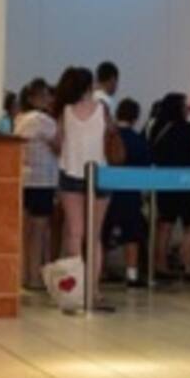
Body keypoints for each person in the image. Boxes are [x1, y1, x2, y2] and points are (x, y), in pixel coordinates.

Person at [54, 66, 114, 311]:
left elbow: (58, 143)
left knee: (74, 233)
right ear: (90, 86)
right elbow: (111, 134)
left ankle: (76, 290)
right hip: (100, 175)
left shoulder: (65, 112)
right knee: (94, 235)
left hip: (70, 174)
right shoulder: (103, 109)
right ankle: (94, 290)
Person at [149, 92, 190, 282]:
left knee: (165, 225)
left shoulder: (157, 129)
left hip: (165, 182)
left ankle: (160, 265)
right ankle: (188, 267)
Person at [14, 78, 58, 288]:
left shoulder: (19, 119)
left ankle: (22, 275)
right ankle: (34, 276)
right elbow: (59, 145)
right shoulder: (44, 120)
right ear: (35, 98)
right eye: (46, 95)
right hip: (43, 181)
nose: (49, 99)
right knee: (39, 232)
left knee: (25, 232)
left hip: (24, 179)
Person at [102, 98, 149, 288]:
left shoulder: (106, 136)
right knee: (132, 235)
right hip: (130, 193)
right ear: (135, 117)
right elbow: (146, 167)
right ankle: (131, 274)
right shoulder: (138, 140)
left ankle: (99, 271)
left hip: (105, 190)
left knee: (102, 234)